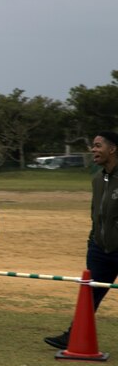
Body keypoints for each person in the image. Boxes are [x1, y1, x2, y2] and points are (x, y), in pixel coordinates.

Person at [45, 131, 118, 350]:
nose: (93, 150)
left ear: (112, 149)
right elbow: (96, 214)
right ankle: (73, 335)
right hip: (100, 249)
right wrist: (92, 242)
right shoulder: (97, 179)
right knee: (89, 294)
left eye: (98, 146)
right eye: (93, 146)